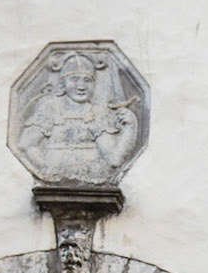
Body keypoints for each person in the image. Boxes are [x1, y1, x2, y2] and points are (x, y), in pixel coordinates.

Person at [17, 49, 140, 182]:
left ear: (94, 84)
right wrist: (46, 169)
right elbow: (26, 145)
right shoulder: (50, 108)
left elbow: (114, 159)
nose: (81, 86)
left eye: (87, 80)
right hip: (53, 176)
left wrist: (130, 127)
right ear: (63, 83)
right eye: (74, 79)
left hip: (92, 176)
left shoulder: (98, 113)